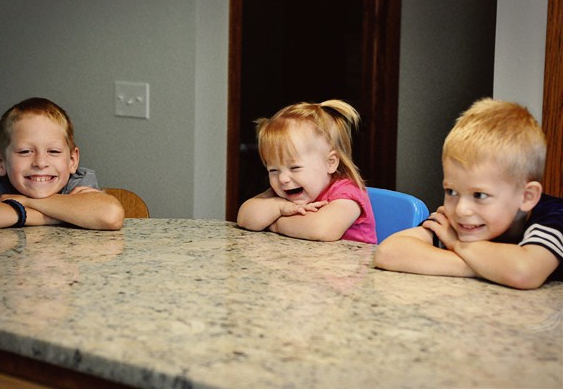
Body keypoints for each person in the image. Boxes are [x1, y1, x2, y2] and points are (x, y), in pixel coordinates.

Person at [374, 98, 562, 289]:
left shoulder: (554, 216)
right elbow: (388, 253)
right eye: (451, 191)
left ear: (526, 197)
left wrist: (457, 244)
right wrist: (486, 269)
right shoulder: (458, 220)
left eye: (479, 195)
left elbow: (524, 272)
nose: (461, 209)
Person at [0, 97, 124, 231]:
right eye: (25, 151)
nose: (40, 163)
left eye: (53, 151)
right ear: (0, 163)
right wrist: (39, 216)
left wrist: (27, 202)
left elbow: (110, 215)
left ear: (72, 161)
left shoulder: (75, 180)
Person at [237, 99, 377, 243]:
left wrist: (274, 224)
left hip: (347, 264)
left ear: (330, 163)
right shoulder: (285, 193)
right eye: (273, 170)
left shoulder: (348, 193)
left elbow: (322, 230)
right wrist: (280, 207)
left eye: (295, 167)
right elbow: (244, 217)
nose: (283, 178)